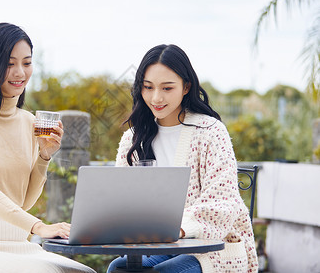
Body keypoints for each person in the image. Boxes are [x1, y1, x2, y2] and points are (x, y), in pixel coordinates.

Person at [0, 23, 95, 273]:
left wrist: (44, 155)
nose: (20, 72)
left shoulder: (30, 122)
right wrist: (39, 227)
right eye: (9, 64)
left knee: (83, 272)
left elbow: (24, 201)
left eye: (27, 62)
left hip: (18, 244)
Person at [107, 44, 258, 273]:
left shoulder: (210, 132)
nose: (156, 97)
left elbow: (223, 200)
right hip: (159, 248)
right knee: (119, 267)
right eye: (148, 87)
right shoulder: (133, 139)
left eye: (167, 88)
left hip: (212, 249)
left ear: (186, 87)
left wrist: (179, 228)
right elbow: (122, 200)